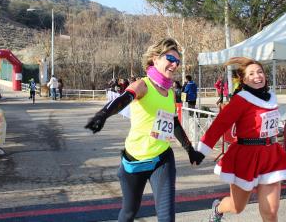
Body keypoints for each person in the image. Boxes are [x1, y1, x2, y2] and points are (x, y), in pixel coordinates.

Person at [85, 38, 205, 222]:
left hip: (162, 159)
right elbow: (125, 98)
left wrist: (190, 150)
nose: (174, 65)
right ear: (155, 59)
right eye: (170, 59)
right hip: (135, 161)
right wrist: (103, 114)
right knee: (129, 213)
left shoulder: (170, 92)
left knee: (166, 218)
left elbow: (173, 123)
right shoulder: (144, 85)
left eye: (177, 62)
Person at [196, 57, 286, 222]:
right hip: (246, 157)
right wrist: (201, 151)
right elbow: (219, 124)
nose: (257, 76)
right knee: (237, 207)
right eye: (251, 73)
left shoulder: (271, 98)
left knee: (271, 211)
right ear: (244, 80)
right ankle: (218, 208)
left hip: (270, 156)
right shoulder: (241, 100)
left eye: (259, 72)